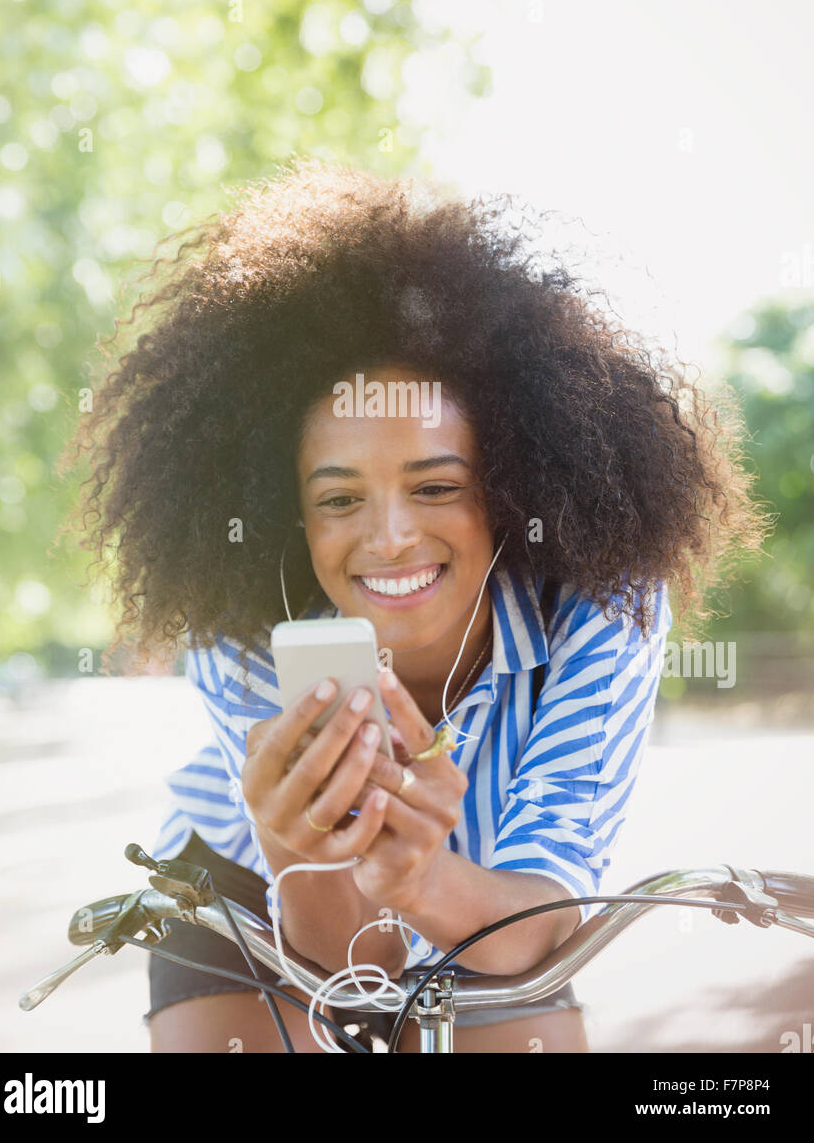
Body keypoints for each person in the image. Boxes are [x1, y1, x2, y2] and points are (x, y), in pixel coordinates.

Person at [56, 158, 767, 1052]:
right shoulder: (239, 619)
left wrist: (424, 880)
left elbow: (543, 907)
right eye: (340, 499)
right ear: (291, 513)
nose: (389, 538)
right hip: (244, 890)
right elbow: (352, 974)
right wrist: (308, 853)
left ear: (510, 486)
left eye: (436, 487)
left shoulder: (598, 605)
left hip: (498, 899)